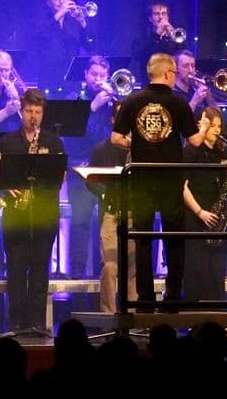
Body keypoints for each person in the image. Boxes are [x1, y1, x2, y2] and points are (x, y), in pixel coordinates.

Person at [111, 53, 209, 309]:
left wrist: (137, 142)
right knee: (174, 238)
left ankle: (145, 299)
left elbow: (115, 138)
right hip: (170, 179)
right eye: (175, 72)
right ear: (167, 74)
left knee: (142, 239)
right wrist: (206, 126)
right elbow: (196, 141)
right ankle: (174, 297)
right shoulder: (178, 103)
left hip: (141, 179)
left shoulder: (133, 100)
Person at [0, 88, 65, 333]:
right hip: (17, 215)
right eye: (28, 111)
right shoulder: (7, 142)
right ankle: (16, 320)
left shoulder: (53, 141)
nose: (33, 116)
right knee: (15, 267)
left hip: (44, 213)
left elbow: (60, 177)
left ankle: (36, 320)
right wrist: (7, 187)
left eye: (37, 112)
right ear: (21, 112)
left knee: (39, 268)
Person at [65, 55, 116, 278]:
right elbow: (72, 134)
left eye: (102, 75)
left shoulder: (113, 100)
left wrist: (116, 102)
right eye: (94, 74)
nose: (98, 79)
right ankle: (77, 270)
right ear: (86, 75)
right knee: (81, 220)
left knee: (107, 221)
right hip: (80, 168)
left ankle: (104, 269)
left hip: (107, 169)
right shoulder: (75, 97)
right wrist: (93, 107)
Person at [180, 106, 227, 302]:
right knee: (198, 272)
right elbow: (182, 187)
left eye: (219, 126)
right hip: (196, 218)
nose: (217, 130)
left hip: (217, 220)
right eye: (212, 126)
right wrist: (200, 212)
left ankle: (217, 314)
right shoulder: (190, 151)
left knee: (216, 271)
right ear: (200, 125)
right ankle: (196, 318)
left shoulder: (222, 153)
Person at [87, 102, 135, 314]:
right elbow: (91, 180)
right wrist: (106, 193)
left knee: (133, 266)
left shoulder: (138, 149)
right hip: (111, 212)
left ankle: (133, 315)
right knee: (110, 265)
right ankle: (108, 314)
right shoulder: (101, 149)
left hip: (134, 211)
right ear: (114, 121)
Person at [22, 0, 95, 93]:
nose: (61, 2)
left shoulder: (74, 21)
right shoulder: (40, 20)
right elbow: (39, 37)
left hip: (72, 82)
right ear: (49, 2)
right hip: (48, 80)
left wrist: (82, 22)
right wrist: (60, 13)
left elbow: (90, 45)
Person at [129, 2, 184, 84]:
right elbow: (142, 56)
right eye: (157, 14)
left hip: (171, 84)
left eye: (164, 14)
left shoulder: (172, 39)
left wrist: (174, 36)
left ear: (168, 17)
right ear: (150, 18)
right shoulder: (142, 40)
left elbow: (183, 55)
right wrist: (157, 35)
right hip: (150, 84)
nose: (161, 17)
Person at [173, 50, 218, 115]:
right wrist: (194, 101)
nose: (190, 70)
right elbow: (179, 121)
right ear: (176, 68)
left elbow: (217, 116)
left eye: (193, 66)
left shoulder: (195, 90)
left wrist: (209, 96)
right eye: (186, 66)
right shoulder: (171, 93)